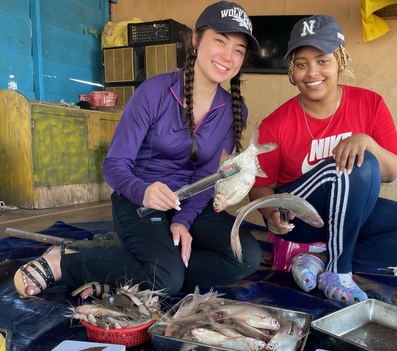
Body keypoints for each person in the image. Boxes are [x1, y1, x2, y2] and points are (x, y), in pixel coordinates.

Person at [14, 1, 262, 298]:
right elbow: (115, 165)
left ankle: (128, 272)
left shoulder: (234, 110)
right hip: (139, 201)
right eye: (219, 41)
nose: (227, 56)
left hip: (189, 203)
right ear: (196, 40)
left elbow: (207, 174)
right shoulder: (154, 92)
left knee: (245, 255)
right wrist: (143, 191)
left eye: (238, 49)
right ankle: (63, 262)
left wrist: (184, 221)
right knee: (166, 277)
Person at [249, 15, 397, 303]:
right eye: (302, 63)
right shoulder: (275, 123)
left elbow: (391, 173)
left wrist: (368, 142)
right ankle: (339, 273)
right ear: (292, 71)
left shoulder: (370, 104)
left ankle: (322, 259)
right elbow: (260, 186)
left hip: (350, 215)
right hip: (301, 218)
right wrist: (270, 216)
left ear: (339, 61)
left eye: (322, 60)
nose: (312, 72)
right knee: (359, 164)